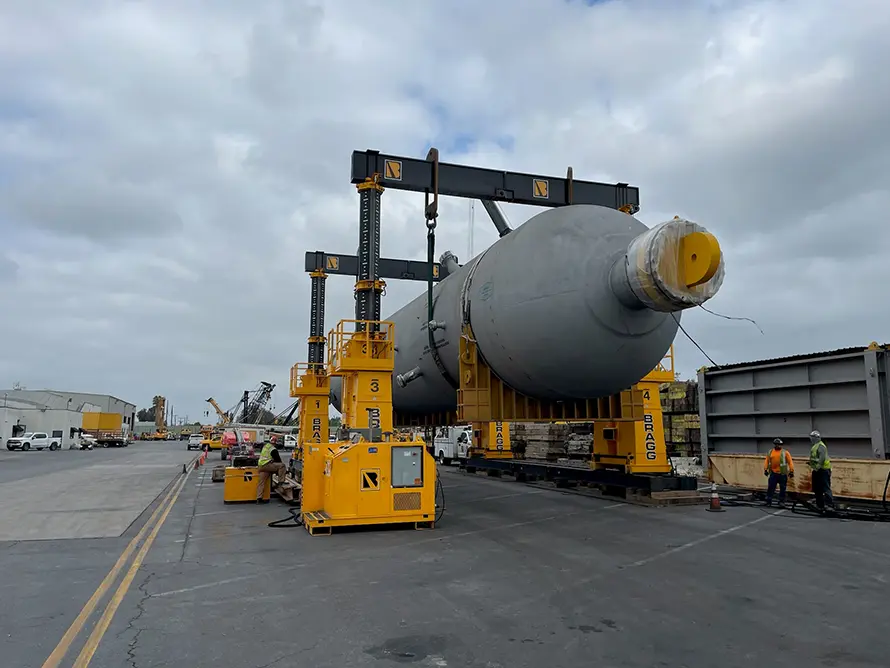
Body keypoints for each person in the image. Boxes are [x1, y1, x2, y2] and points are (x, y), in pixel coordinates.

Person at [808, 430, 835, 512]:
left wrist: (817, 467)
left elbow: (822, 458)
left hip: (823, 470)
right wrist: (811, 463)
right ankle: (820, 504)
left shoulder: (820, 446)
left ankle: (829, 505)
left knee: (825, 488)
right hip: (817, 470)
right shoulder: (815, 446)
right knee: (817, 488)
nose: (811, 439)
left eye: (812, 437)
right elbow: (816, 458)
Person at [763, 438, 794, 507]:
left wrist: (791, 471)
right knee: (771, 487)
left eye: (779, 444)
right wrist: (765, 469)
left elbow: (790, 462)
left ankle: (781, 502)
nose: (778, 446)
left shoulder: (785, 452)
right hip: (773, 473)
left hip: (782, 474)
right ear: (774, 444)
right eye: (777, 444)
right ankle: (768, 501)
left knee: (782, 488)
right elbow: (767, 461)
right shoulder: (770, 452)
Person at [256, 438, 286, 502]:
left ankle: (259, 498)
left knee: (261, 482)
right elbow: (278, 461)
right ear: (275, 443)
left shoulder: (266, 446)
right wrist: (280, 472)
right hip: (266, 466)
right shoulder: (273, 449)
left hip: (260, 466)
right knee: (282, 466)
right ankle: (280, 483)